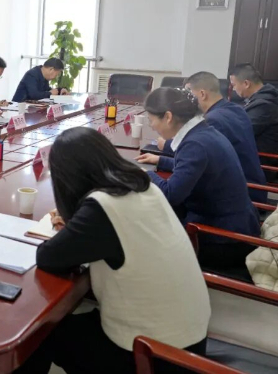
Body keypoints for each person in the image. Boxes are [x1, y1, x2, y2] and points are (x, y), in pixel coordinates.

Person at [15, 127, 210, 374]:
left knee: (37, 334)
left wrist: (76, 224)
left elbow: (48, 257)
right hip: (187, 342)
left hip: (151, 355)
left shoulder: (102, 207)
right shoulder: (143, 185)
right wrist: (77, 223)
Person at [136, 88, 260, 271]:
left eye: (151, 120)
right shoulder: (203, 132)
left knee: (145, 235)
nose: (152, 126)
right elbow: (199, 167)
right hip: (238, 225)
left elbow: (170, 195)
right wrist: (161, 160)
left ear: (168, 117)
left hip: (224, 240)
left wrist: (145, 174)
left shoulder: (194, 144)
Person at [156, 72, 267, 203]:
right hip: (252, 184)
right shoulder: (235, 109)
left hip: (243, 193)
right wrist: (161, 160)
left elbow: (194, 156)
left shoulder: (212, 121)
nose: (185, 100)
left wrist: (166, 145)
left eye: (188, 94)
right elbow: (200, 161)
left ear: (202, 94)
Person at [229, 63, 278, 180]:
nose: (234, 89)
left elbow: (239, 132)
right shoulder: (257, 100)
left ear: (246, 83)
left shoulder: (265, 105)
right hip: (252, 158)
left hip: (261, 165)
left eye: (234, 85)